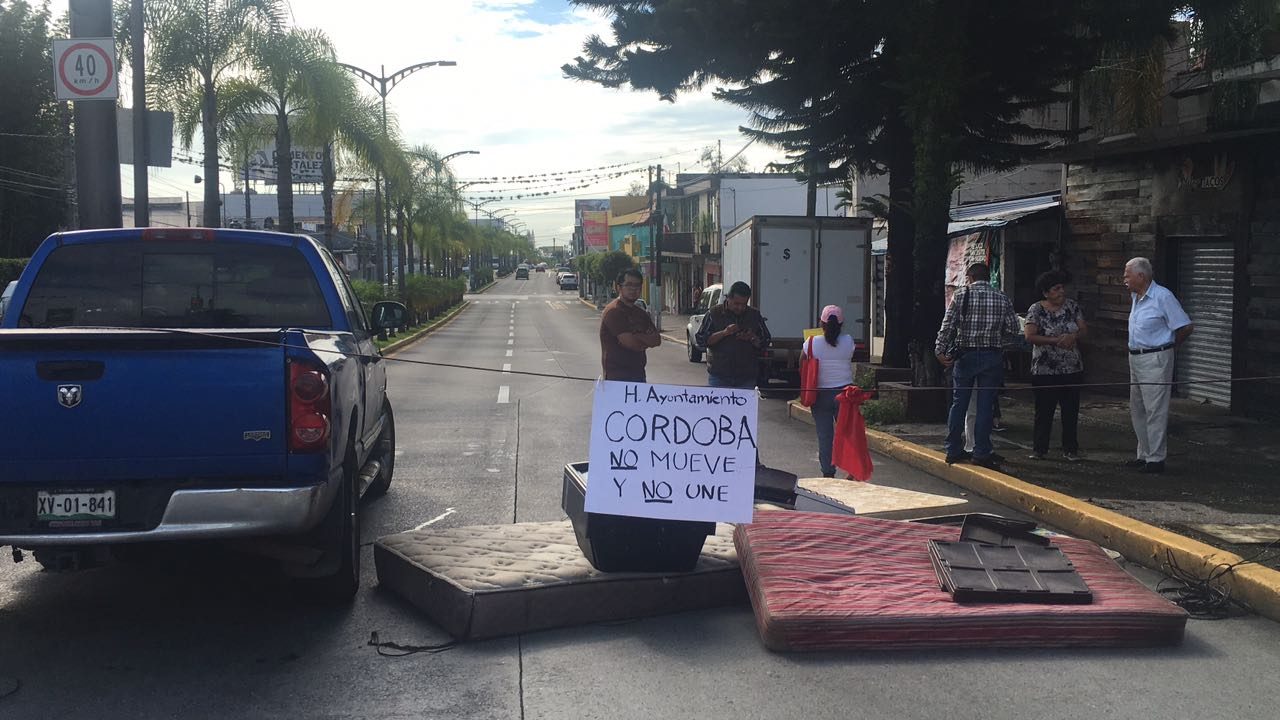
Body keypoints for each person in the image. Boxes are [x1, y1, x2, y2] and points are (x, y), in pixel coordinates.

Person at [934, 263, 1022, 469]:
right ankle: (981, 450)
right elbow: (1013, 330)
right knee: (985, 405)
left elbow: (947, 326)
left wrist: (939, 350)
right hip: (992, 356)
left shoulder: (961, 296)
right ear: (987, 277)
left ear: (970, 276)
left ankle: (953, 448)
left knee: (959, 403)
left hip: (966, 356)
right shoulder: (1002, 298)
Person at [1123, 256, 1193, 474]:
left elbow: (1185, 326)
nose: (1124, 279)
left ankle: (1156, 458)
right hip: (1136, 356)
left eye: (1127, 275)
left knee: (1155, 408)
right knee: (1138, 408)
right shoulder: (1136, 296)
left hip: (1156, 356)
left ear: (1141, 276)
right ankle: (1144, 453)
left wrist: (1170, 347)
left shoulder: (1162, 296)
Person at [1023, 270, 1088, 462]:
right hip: (1045, 368)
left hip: (1071, 367)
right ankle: (1040, 448)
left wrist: (1073, 336)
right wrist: (1054, 340)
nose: (1061, 292)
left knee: (1070, 409)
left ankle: (1070, 448)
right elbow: (1030, 335)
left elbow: (1084, 329)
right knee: (1044, 410)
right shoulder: (1036, 309)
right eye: (1056, 289)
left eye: (1062, 288)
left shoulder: (1072, 307)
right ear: (1046, 293)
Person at [806, 305, 856, 478]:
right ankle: (852, 471)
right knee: (849, 434)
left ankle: (828, 472)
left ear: (821, 323)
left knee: (825, 436)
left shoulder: (811, 342)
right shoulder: (849, 341)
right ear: (842, 324)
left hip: (820, 394)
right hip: (845, 394)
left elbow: (802, 362)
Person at [695, 281, 771, 389]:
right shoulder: (714, 313)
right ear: (728, 298)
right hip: (719, 377)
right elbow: (701, 339)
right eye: (736, 304)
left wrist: (752, 338)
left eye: (744, 304)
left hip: (746, 377)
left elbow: (766, 341)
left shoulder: (754, 315)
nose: (740, 308)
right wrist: (724, 333)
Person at [599, 268, 660, 382]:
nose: (633, 289)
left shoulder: (641, 313)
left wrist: (636, 336)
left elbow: (656, 340)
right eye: (629, 285)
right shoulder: (614, 311)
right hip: (617, 379)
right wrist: (644, 339)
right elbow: (631, 344)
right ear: (619, 288)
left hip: (639, 376)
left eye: (637, 285)